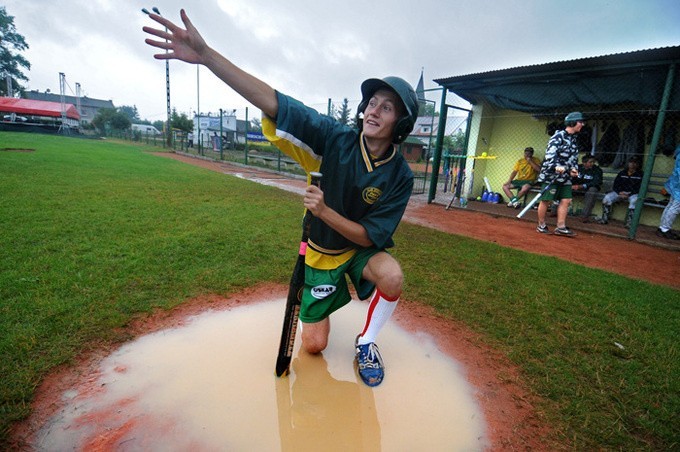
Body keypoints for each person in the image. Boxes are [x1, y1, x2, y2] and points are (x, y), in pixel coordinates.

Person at [143, 10, 418, 387]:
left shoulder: (401, 174)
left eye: (386, 107)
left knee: (392, 275)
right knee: (314, 346)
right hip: (321, 254)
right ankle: (323, 303)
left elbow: (370, 237)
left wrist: (324, 210)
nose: (373, 110)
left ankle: (366, 342)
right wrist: (207, 56)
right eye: (372, 102)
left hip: (359, 250)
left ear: (400, 125)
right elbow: (275, 102)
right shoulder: (333, 139)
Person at [535, 112, 583, 237]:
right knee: (546, 200)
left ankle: (560, 227)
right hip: (551, 175)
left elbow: (574, 158)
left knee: (566, 200)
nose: (582, 124)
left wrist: (574, 169)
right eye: (580, 122)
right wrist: (556, 165)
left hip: (565, 176)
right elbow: (550, 154)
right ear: (573, 123)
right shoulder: (558, 136)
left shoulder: (574, 139)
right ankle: (541, 225)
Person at [598, 157, 643, 227]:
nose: (632, 164)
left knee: (635, 200)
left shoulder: (640, 174)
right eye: (631, 162)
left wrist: (629, 194)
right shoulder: (622, 173)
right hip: (620, 192)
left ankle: (629, 222)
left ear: (638, 164)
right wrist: (619, 192)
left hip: (633, 194)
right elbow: (615, 185)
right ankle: (604, 219)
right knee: (607, 198)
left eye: (635, 163)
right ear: (628, 163)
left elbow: (640, 188)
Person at [656, 146, 680, 240]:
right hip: (678, 184)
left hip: (675, 184)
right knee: (675, 207)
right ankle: (665, 229)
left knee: (671, 205)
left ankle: (662, 227)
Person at [571, 155, 603, 222]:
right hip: (576, 187)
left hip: (588, 188)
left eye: (593, 162)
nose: (592, 164)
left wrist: (582, 186)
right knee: (564, 186)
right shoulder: (577, 168)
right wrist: (572, 185)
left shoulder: (597, 170)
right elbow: (570, 177)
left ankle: (584, 216)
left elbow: (597, 182)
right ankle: (554, 211)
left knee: (593, 190)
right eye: (590, 162)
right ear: (584, 163)